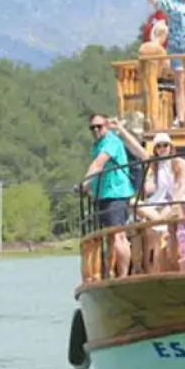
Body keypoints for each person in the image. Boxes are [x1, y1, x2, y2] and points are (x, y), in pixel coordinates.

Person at [79, 114, 133, 277]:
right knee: (110, 237)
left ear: (107, 126)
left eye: (99, 126)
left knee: (118, 235)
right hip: (103, 195)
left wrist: (85, 182)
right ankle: (110, 272)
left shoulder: (111, 142)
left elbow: (99, 163)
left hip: (116, 193)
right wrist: (88, 188)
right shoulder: (98, 144)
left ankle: (123, 276)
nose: (96, 130)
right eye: (92, 128)